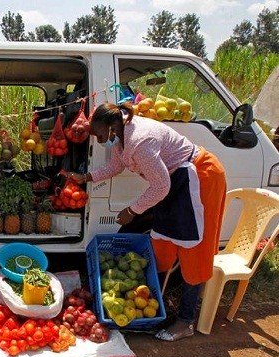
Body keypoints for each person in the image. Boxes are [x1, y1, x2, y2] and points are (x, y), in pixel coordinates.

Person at [70, 102, 227, 341]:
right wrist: (86, 177)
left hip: (198, 178)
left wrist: (132, 210)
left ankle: (186, 321)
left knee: (193, 248)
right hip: (174, 183)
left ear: (112, 127)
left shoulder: (141, 142)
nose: (100, 141)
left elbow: (161, 186)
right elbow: (116, 166)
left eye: (100, 135)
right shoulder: (121, 136)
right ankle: (157, 307)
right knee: (161, 244)